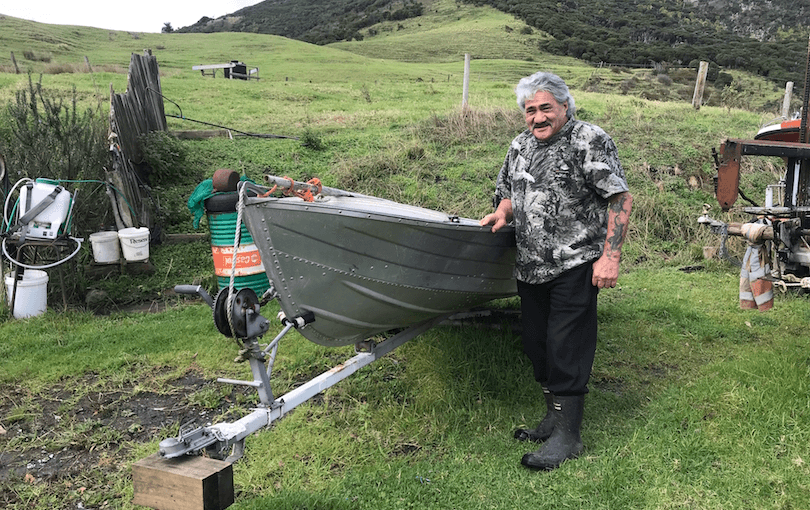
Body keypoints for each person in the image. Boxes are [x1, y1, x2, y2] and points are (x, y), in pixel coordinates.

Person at [480, 71, 632, 470]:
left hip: (575, 263)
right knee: (537, 343)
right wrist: (501, 213)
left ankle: (569, 435)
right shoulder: (520, 145)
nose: (538, 117)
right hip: (530, 266)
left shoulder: (589, 139)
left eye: (546, 107)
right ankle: (553, 418)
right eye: (530, 110)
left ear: (565, 106)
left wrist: (611, 257)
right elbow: (509, 194)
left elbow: (619, 198)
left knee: (567, 345)